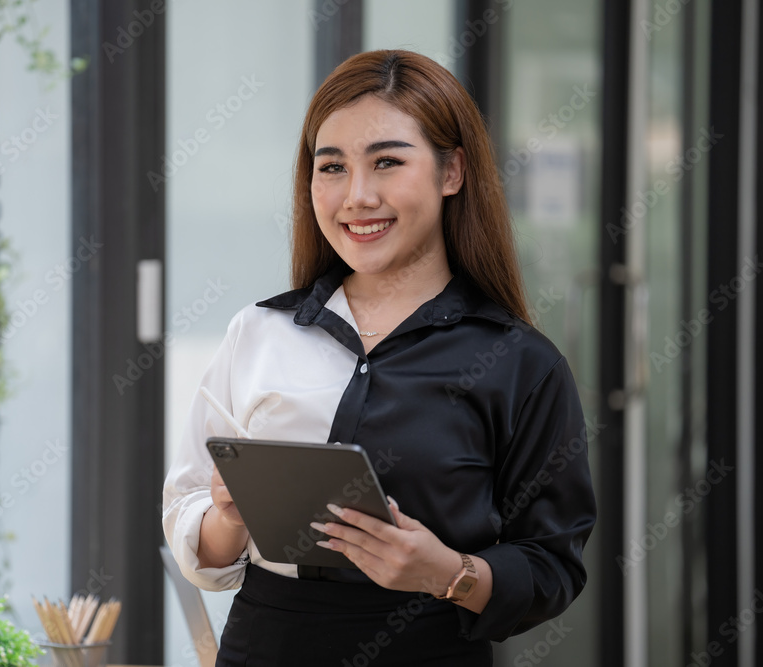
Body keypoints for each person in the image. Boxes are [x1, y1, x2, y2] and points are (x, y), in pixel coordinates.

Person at [162, 49, 596, 666]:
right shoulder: (258, 332)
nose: (356, 196)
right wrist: (229, 519)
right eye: (331, 166)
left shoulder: (521, 362)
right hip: (263, 645)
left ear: (453, 172)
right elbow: (189, 518)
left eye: (387, 162)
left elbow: (553, 567)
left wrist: (446, 572)